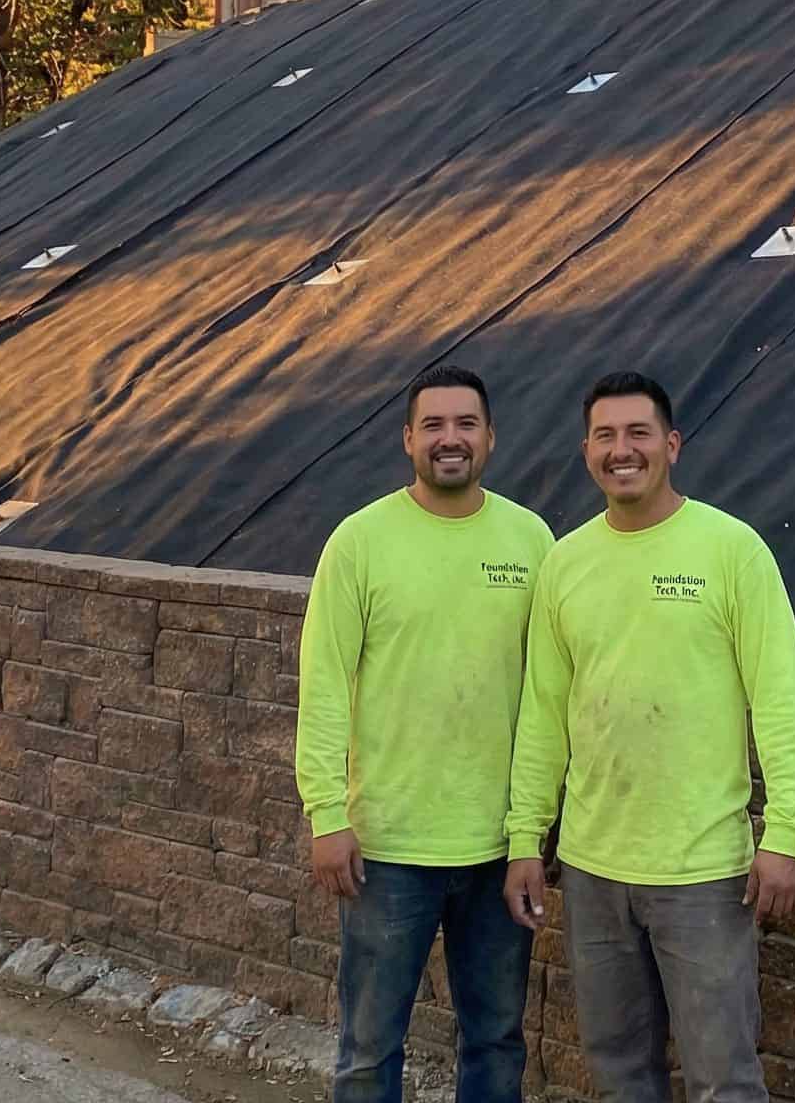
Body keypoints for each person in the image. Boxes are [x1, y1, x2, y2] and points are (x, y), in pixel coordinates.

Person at [502, 370, 795, 1103]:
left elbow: (780, 698)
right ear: (587, 452)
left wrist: (786, 832)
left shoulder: (731, 551)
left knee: (722, 1079)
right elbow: (543, 713)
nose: (623, 450)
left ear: (671, 445)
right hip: (591, 869)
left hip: (702, 871)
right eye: (605, 436)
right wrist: (524, 836)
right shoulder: (565, 564)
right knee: (619, 1074)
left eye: (638, 433)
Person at [296, 363, 554, 1103]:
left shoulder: (531, 540)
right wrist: (327, 814)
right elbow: (324, 686)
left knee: (496, 1041)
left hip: (498, 849)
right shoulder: (360, 542)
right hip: (387, 849)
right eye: (433, 425)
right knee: (369, 1047)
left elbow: (548, 697)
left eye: (465, 424)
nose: (450, 438)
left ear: (490, 437)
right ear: (408, 438)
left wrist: (532, 830)